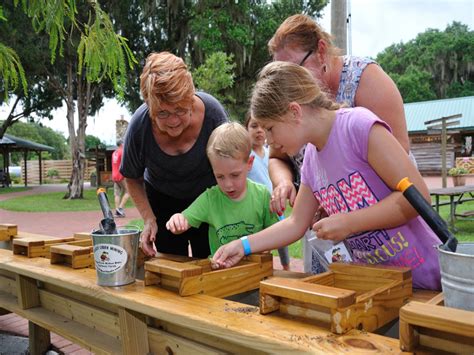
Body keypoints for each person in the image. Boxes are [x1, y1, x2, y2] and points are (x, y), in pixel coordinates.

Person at [212, 62, 441, 290]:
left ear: (294, 112)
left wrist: (349, 223)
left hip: (428, 279)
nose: (268, 140)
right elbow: (296, 223)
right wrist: (243, 245)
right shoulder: (311, 159)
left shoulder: (357, 127)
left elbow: (417, 197)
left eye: (270, 128)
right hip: (379, 284)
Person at [266, 14, 414, 273]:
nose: (289, 80)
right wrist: (285, 182)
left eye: (295, 69)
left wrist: (338, 201)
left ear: (321, 51)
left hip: (390, 229)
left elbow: (398, 155)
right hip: (326, 221)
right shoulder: (293, 110)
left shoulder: (365, 81)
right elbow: (277, 155)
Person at [120, 52, 228, 258]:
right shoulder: (139, 126)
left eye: (180, 110)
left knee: (211, 261)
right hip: (162, 200)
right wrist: (149, 219)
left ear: (190, 98)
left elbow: (233, 162)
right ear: (149, 107)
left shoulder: (213, 113)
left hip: (208, 199)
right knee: (170, 264)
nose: (173, 121)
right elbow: (132, 177)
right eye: (162, 113)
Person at [166, 122, 279, 256]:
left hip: (257, 271)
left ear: (249, 163)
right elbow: (184, 220)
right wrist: (177, 220)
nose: (228, 185)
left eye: (235, 175)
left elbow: (276, 233)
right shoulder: (210, 199)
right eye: (220, 176)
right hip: (221, 272)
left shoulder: (262, 195)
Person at [245, 113, 290, 270]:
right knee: (263, 243)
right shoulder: (246, 157)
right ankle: (264, 270)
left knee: (282, 239)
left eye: (262, 126)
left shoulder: (269, 154)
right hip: (256, 207)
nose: (259, 131)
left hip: (274, 203)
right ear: (246, 130)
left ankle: (286, 267)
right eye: (253, 126)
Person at [111, 139, 130, 217]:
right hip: (121, 175)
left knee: (117, 194)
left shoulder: (114, 152)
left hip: (114, 175)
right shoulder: (122, 152)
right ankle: (120, 208)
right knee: (129, 191)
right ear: (122, 144)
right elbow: (125, 164)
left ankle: (117, 210)